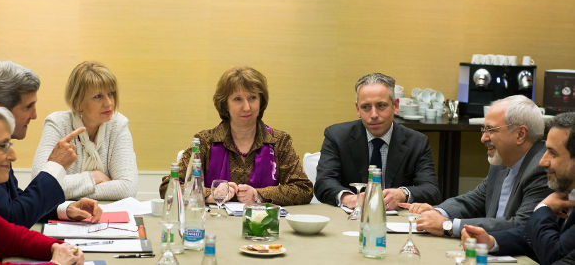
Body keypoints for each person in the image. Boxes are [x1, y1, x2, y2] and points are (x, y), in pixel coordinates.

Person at [0, 60, 102, 228]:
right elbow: (10, 219)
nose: (34, 116)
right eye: (28, 107)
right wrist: (55, 166)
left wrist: (64, 209)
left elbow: (14, 201)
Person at [159, 66, 313, 205]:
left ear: (261, 101)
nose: (247, 107)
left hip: (262, 227)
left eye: (252, 98)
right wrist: (209, 194)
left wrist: (259, 194)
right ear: (225, 104)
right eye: (238, 99)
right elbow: (168, 187)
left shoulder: (279, 141)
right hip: (214, 226)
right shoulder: (204, 141)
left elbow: (303, 189)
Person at [0, 101, 85, 265]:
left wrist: (57, 247)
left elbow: (10, 236)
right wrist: (57, 263)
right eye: (3, 145)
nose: (13, 156)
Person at [405, 95, 551, 237]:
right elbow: (476, 199)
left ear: (520, 134)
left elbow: (522, 225)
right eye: (483, 130)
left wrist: (447, 225)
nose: (483, 138)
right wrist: (439, 212)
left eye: (491, 130)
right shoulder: (502, 161)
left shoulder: (543, 168)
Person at [461, 112, 575, 265]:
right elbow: (533, 234)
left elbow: (554, 255)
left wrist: (542, 208)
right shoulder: (566, 193)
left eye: (553, 153)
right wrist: (492, 241)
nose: (543, 161)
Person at [314, 73, 441, 209]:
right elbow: (323, 183)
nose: (373, 115)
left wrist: (403, 193)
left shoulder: (417, 142)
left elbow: (431, 190)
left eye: (381, 106)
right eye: (366, 107)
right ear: (358, 109)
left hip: (397, 220)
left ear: (395, 106)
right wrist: (349, 198)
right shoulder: (337, 136)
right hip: (351, 219)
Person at [32, 61, 138, 200]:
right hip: (65, 215)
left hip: (107, 216)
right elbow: (40, 185)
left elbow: (127, 188)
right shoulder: (57, 124)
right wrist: (93, 177)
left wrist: (66, 190)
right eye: (98, 96)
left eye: (111, 94)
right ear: (78, 103)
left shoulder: (118, 124)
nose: (109, 103)